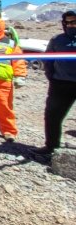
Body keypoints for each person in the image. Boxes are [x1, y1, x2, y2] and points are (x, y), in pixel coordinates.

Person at [40, 10, 76, 155]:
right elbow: (48, 60)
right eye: (67, 22)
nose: (71, 25)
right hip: (61, 84)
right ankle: (51, 147)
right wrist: (52, 77)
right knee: (53, 116)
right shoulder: (57, 40)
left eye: (74, 22)